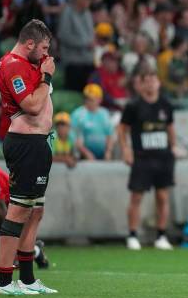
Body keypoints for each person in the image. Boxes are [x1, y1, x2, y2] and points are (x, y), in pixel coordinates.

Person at [0, 19, 57, 295]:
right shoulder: (13, 65)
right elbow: (31, 106)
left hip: (39, 142)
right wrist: (47, 77)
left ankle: (28, 280)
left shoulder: (29, 63)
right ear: (29, 43)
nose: (46, 54)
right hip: (26, 143)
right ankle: (4, 282)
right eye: (43, 47)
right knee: (19, 210)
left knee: (34, 211)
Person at [117, 65, 175, 251]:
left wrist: (173, 148)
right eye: (146, 81)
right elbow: (122, 129)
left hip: (163, 157)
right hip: (142, 157)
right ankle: (133, 235)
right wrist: (126, 150)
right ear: (140, 85)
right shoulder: (133, 106)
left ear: (159, 83)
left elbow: (170, 128)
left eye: (153, 80)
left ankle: (161, 235)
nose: (151, 84)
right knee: (137, 196)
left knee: (163, 196)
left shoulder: (166, 104)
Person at [57, 0, 95, 92]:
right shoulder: (67, 12)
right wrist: (85, 43)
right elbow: (63, 35)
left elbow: (91, 35)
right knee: (74, 92)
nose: (88, 1)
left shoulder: (87, 13)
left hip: (88, 60)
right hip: (73, 62)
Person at [70, 83, 114, 160]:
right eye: (86, 98)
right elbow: (73, 137)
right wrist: (86, 153)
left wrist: (108, 151)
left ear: (100, 99)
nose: (88, 101)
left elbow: (110, 135)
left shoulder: (104, 113)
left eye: (91, 99)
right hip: (82, 155)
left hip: (103, 155)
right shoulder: (78, 114)